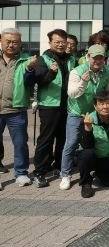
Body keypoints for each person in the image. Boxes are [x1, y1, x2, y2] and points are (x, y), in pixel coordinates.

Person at [25, 28, 76, 188]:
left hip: (67, 105)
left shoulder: (71, 59)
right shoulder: (43, 59)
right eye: (57, 42)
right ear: (50, 43)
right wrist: (52, 73)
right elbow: (39, 81)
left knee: (63, 138)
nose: (61, 45)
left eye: (63, 42)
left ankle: (59, 166)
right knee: (46, 139)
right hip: (49, 105)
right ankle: (40, 171)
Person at [60, 44, 109, 191]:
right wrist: (83, 82)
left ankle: (94, 171)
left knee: (94, 144)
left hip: (95, 113)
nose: (97, 61)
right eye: (94, 57)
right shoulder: (77, 71)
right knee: (71, 142)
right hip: (77, 112)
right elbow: (72, 94)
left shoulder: (108, 71)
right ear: (88, 57)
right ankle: (65, 174)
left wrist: (105, 110)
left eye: (100, 58)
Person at [0, 28, 33, 187]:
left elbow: (31, 82)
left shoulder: (26, 61)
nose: (11, 45)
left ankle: (21, 173)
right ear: (1, 41)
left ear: (20, 44)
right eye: (8, 41)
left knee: (20, 143)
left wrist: (30, 69)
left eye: (15, 42)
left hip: (16, 109)